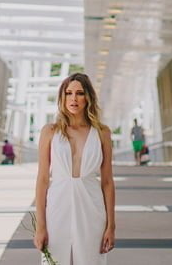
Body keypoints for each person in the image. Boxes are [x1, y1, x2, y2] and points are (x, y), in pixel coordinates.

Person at [34, 73, 115, 264]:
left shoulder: (102, 133)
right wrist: (40, 226)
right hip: (57, 208)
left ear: (88, 98)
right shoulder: (50, 132)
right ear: (62, 97)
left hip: (92, 208)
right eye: (68, 93)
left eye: (79, 93)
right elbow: (43, 180)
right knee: (54, 260)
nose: (73, 98)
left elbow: (107, 182)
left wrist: (111, 225)